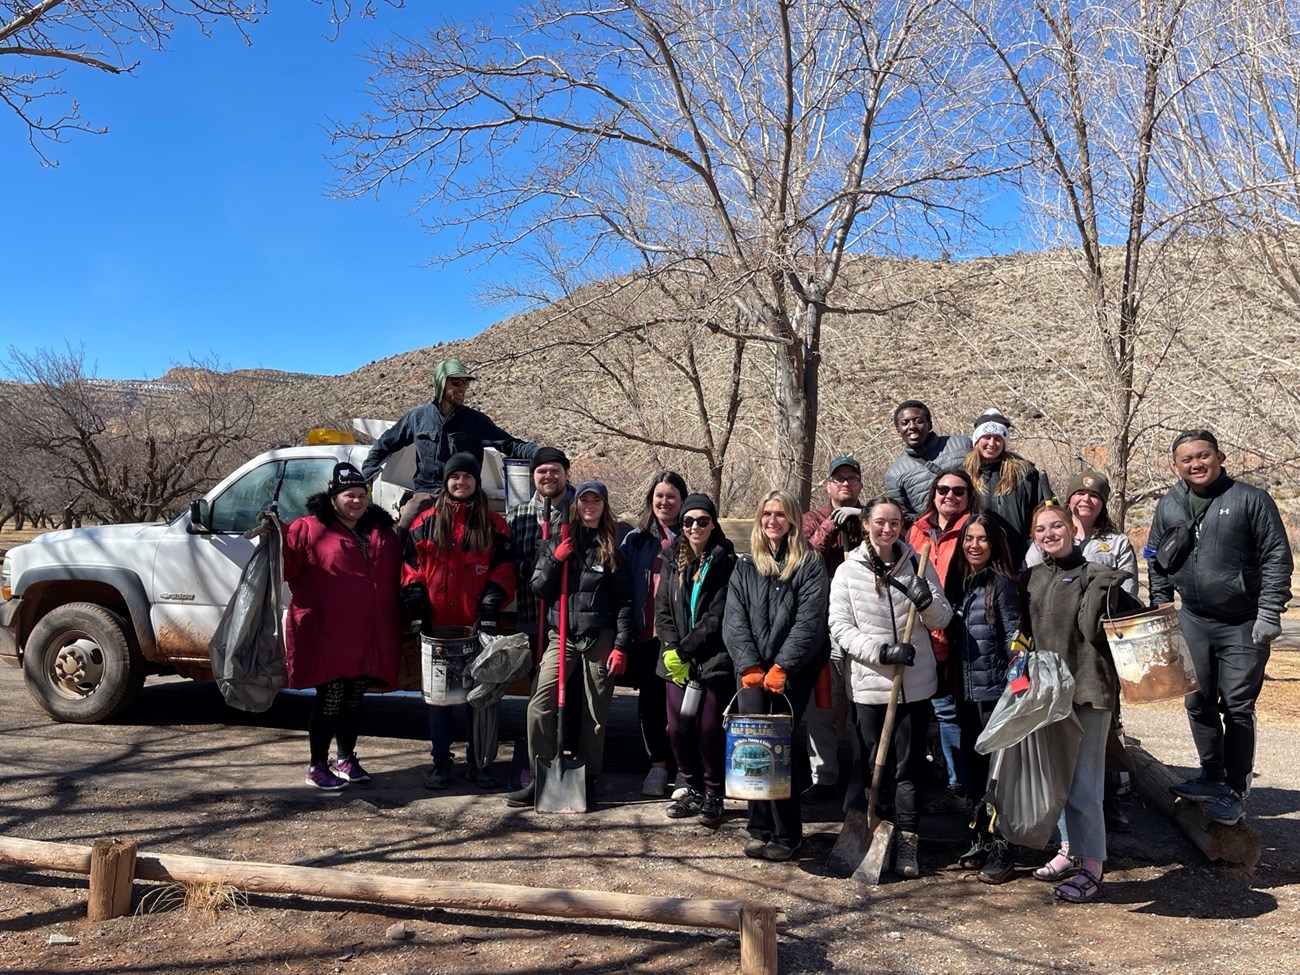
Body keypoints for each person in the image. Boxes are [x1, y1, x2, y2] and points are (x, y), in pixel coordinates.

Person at [1149, 430, 1292, 826]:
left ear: (1220, 456)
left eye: (1203, 455)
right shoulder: (1171, 504)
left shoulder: (1251, 500)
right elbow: (1156, 559)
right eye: (1186, 459)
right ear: (1175, 466)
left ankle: (1235, 788)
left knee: (1238, 706)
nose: (1196, 464)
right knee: (1196, 699)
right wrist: (1163, 610)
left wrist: (1269, 613)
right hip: (1193, 618)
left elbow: (1277, 558)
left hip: (1243, 621)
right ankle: (1211, 775)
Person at [829, 494, 953, 879]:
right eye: (880, 522)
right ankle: (870, 838)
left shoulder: (917, 564)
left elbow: (943, 617)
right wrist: (882, 652)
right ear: (865, 524)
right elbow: (840, 627)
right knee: (870, 765)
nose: (887, 529)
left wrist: (925, 598)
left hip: (913, 687)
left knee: (909, 768)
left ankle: (907, 842)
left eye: (895, 523)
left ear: (903, 526)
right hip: (869, 684)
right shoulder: (848, 572)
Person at [1021, 501, 1138, 902]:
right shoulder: (1034, 578)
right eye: (1041, 529)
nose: (1049, 534)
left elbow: (1099, 629)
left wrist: (1106, 586)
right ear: (1034, 537)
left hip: (1088, 691)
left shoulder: (1096, 574)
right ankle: (1069, 850)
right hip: (1049, 694)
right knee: (1061, 781)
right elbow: (1025, 633)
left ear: (1073, 528)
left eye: (1057, 526)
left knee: (1085, 786)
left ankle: (1092, 867)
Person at [506, 480, 633, 808]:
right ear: (575, 504)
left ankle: (588, 776)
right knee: (539, 705)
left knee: (595, 711)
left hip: (599, 636)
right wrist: (554, 561)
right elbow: (538, 590)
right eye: (584, 500)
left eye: (596, 501)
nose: (589, 506)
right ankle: (540, 774)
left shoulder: (611, 549)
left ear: (604, 506)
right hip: (561, 635)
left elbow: (623, 602)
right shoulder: (556, 542)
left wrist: (621, 645)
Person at [723, 490, 830, 862]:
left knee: (780, 747)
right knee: (751, 745)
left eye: (780, 514)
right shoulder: (746, 563)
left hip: (792, 671)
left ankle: (787, 833)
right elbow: (734, 617)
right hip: (751, 672)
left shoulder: (810, 563)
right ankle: (758, 827)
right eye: (767, 513)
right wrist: (749, 664)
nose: (772, 521)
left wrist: (783, 665)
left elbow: (810, 621)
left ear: (793, 520)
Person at [282, 463, 403, 790]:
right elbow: (286, 565)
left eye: (362, 495)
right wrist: (276, 534)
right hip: (328, 631)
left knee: (354, 696)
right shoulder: (309, 529)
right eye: (350, 495)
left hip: (368, 631)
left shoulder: (380, 531)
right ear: (333, 497)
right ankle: (316, 765)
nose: (357, 501)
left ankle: (346, 758)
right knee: (331, 697)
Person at [401, 453, 514, 790]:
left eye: (467, 477)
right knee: (439, 700)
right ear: (446, 482)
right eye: (455, 477)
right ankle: (440, 763)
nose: (461, 483)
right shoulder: (425, 522)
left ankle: (479, 764)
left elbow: (504, 570)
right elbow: (411, 571)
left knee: (478, 699)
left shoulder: (495, 524)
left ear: (476, 482)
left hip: (476, 625)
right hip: (437, 627)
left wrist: (491, 609)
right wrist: (418, 609)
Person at [942, 514, 1021, 883]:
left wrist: (1016, 684)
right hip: (964, 693)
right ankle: (981, 838)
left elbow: (1012, 637)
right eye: (968, 539)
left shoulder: (1001, 584)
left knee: (998, 775)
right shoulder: (961, 584)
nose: (974, 545)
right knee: (973, 774)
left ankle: (1004, 848)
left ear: (994, 544)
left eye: (982, 539)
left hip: (994, 694)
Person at [655, 493, 737, 827]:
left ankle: (714, 792)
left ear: (713, 523)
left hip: (713, 657)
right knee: (677, 728)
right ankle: (692, 787)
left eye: (703, 521)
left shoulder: (726, 561)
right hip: (676, 658)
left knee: (708, 730)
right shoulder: (672, 558)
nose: (694, 527)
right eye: (688, 521)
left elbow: (718, 614)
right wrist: (674, 649)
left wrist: (687, 649)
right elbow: (662, 608)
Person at [907, 469, 981, 814]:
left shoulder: (972, 529)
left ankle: (960, 788)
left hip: (957, 632)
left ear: (969, 496)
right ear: (933, 493)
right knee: (923, 708)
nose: (949, 496)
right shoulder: (917, 530)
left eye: (958, 491)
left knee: (951, 712)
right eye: (942, 489)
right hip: (919, 633)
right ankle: (914, 783)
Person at [362, 357, 540, 495]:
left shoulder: (475, 420)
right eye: (456, 382)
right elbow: (385, 443)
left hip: (466, 495)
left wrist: (541, 454)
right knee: (406, 523)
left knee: (486, 535)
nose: (462, 388)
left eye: (465, 383)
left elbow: (510, 444)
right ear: (440, 383)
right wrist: (368, 472)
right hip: (427, 493)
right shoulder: (416, 417)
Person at [799, 455, 867, 804]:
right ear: (827, 484)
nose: (845, 484)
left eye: (852, 479)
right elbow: (807, 557)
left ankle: (864, 775)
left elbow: (896, 540)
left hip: (866, 627)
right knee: (823, 704)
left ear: (860, 486)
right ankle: (823, 776)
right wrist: (833, 526)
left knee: (864, 705)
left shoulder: (873, 517)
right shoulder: (812, 518)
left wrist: (863, 520)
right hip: (825, 628)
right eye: (838, 479)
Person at [620, 471, 688, 798]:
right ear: (651, 500)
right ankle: (658, 766)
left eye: (671, 496)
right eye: (659, 496)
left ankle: (685, 769)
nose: (665, 502)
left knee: (682, 707)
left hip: (681, 638)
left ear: (682, 501)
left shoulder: (693, 536)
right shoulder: (635, 540)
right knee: (651, 704)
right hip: (645, 635)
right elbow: (621, 584)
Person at [505, 447, 575, 658]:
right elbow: (505, 561)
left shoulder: (581, 510)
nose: (548, 476)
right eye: (541, 471)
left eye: (555, 470)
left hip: (571, 622)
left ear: (566, 473)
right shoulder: (517, 515)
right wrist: (528, 569)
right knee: (536, 683)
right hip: (531, 617)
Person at [1025, 468, 1138, 597]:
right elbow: (1031, 581)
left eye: (1094, 495)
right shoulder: (1049, 538)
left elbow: (1129, 592)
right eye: (1080, 493)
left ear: (1103, 503)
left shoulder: (1118, 543)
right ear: (1069, 499)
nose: (1086, 499)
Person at [964, 408, 1052, 566]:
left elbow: (1042, 512)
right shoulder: (964, 474)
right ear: (977, 440)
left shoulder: (1024, 473)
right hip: (976, 558)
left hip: (1017, 558)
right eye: (987, 437)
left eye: (998, 438)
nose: (992, 443)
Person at [883, 401, 973, 524]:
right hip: (935, 536)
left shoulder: (962, 445)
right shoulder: (895, 474)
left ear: (929, 424)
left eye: (918, 420)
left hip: (974, 527)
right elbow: (907, 517)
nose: (912, 426)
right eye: (904, 423)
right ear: (898, 430)